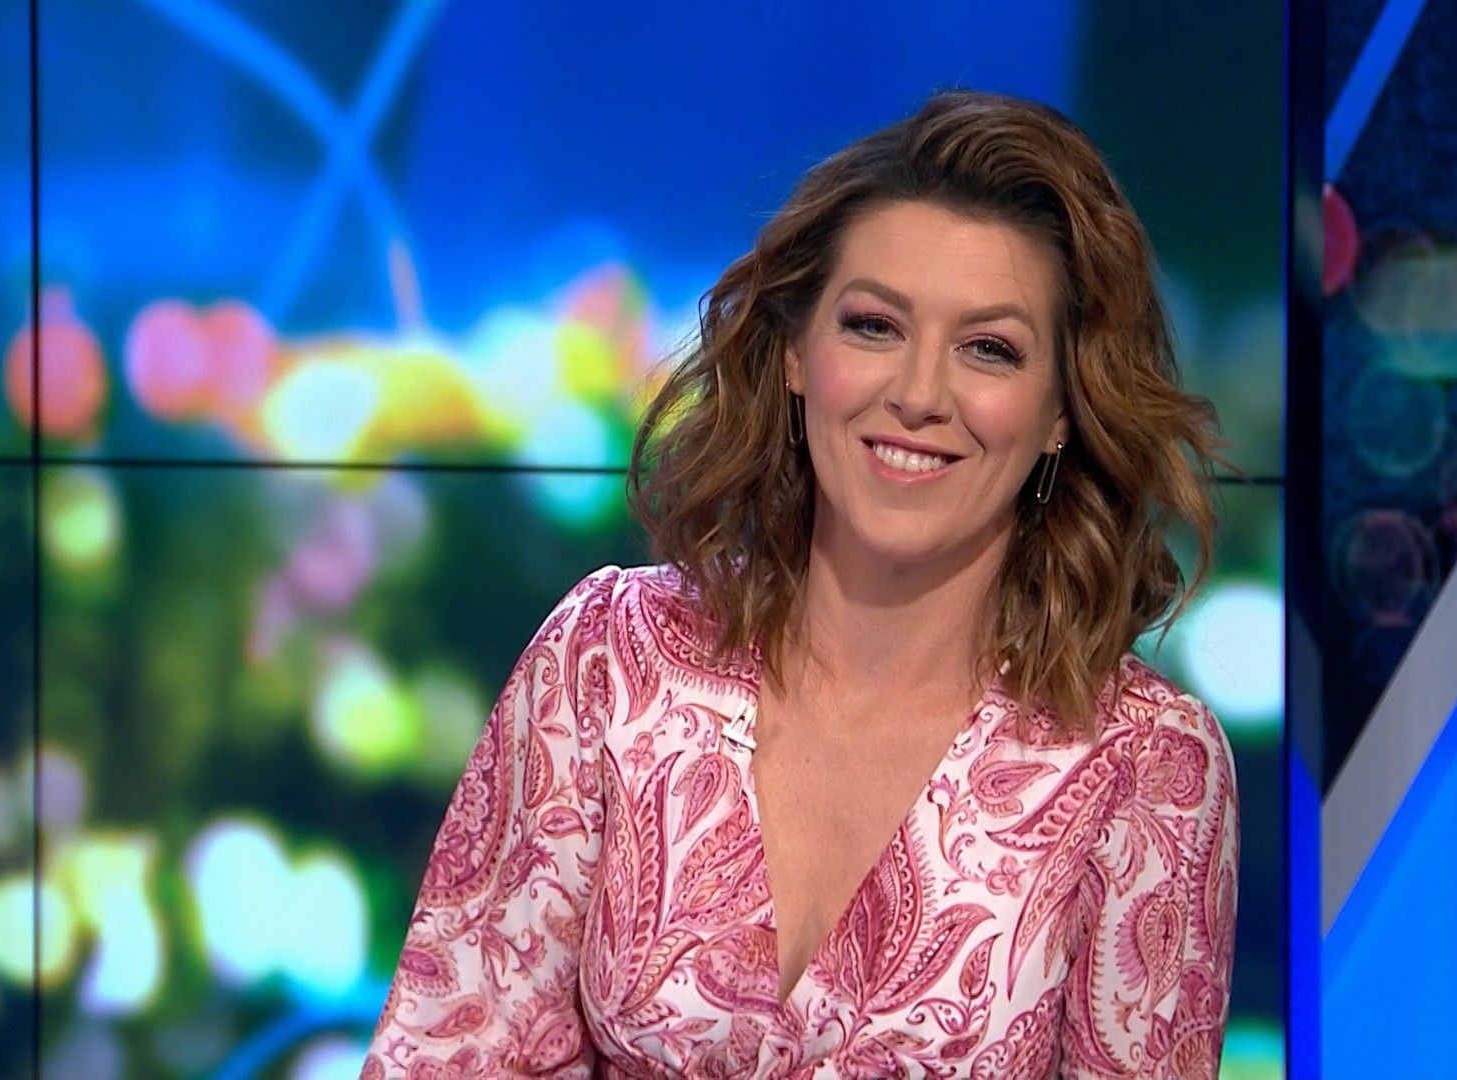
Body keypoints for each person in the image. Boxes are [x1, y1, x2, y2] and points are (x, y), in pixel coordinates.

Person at [363, 87, 1243, 1079]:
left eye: (989, 349)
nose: (918, 394)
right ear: (795, 355)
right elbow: (454, 1048)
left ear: (1059, 415)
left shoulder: (1145, 764)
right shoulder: (612, 656)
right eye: (873, 326)